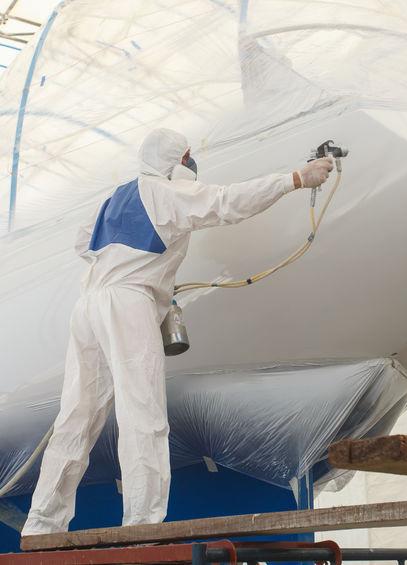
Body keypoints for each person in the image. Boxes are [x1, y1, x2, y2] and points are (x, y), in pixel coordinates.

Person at [21, 128, 334, 535]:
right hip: (128, 302)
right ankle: (142, 523)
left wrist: (129, 266)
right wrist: (294, 179)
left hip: (90, 305)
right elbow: (227, 202)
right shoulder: (166, 193)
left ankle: (42, 523)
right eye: (187, 156)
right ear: (175, 160)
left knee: (76, 416)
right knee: (142, 411)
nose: (191, 163)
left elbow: (83, 244)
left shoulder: (114, 198)